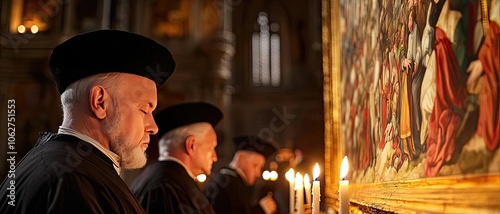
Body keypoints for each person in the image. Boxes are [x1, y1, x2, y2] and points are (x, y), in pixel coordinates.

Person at [0, 30, 176, 213]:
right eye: (144, 110)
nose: (153, 127)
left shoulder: (61, 165)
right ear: (100, 102)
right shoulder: (75, 181)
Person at [130, 102, 223, 214]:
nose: (215, 157)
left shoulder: (158, 177)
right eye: (211, 147)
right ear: (191, 145)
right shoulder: (166, 187)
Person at [204, 135, 278, 214]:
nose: (258, 174)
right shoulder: (228, 184)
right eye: (255, 165)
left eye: (260, 168)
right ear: (241, 158)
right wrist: (260, 210)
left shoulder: (234, 182)